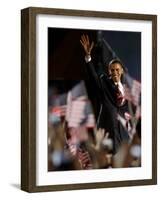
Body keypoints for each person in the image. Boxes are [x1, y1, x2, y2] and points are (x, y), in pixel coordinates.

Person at [80, 34, 130, 154]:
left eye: (117, 70)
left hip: (122, 134)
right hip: (107, 131)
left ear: (122, 70)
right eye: (112, 70)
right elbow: (93, 77)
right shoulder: (104, 82)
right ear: (109, 71)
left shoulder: (127, 89)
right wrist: (88, 57)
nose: (115, 72)